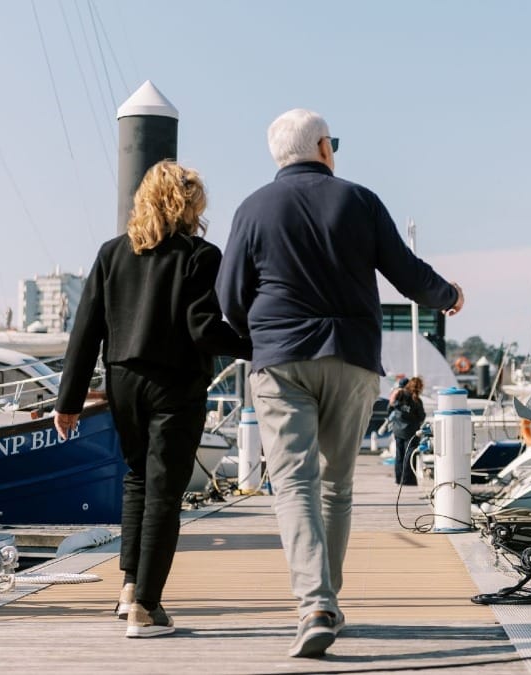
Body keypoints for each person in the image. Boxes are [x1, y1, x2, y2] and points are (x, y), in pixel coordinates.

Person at [218, 108, 464, 658]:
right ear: (325, 148)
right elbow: (404, 270)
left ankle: (315, 603)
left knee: (294, 484)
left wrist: (260, 335)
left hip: (281, 359)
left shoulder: (253, 208)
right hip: (351, 357)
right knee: (336, 484)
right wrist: (447, 295)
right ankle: (325, 601)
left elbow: (229, 296)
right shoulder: (358, 200)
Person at [54, 160, 251, 638]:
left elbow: (87, 331)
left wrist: (69, 400)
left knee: (138, 480)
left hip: (123, 379)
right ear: (188, 205)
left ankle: (128, 588)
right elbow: (203, 329)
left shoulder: (111, 253)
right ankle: (147, 606)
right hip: (175, 385)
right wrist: (257, 345)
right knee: (165, 491)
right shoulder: (200, 255)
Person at [389, 376, 426, 486]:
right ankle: (408, 481)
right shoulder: (416, 400)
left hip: (398, 430)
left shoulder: (400, 396)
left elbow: (390, 408)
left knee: (399, 455)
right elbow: (421, 416)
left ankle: (399, 479)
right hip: (411, 431)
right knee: (409, 455)